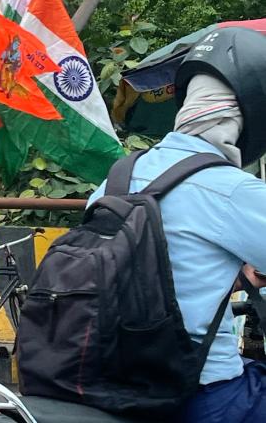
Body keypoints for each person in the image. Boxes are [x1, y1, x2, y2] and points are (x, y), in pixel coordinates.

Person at [89, 27, 266, 422]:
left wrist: (239, 280)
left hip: (115, 380)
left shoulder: (115, 180)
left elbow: (157, 274)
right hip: (199, 391)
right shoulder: (230, 188)